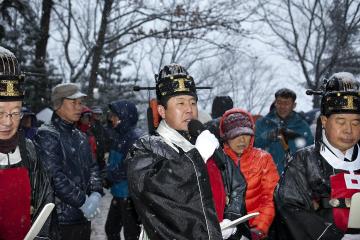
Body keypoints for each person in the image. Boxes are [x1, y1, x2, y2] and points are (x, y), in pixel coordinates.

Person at [127, 63, 248, 240]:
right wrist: (197, 157)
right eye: (180, 103)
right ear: (162, 110)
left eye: (193, 102)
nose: (189, 109)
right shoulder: (145, 147)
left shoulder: (205, 141)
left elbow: (236, 184)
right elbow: (155, 192)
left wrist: (231, 220)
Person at [275, 72, 360, 240]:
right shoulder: (303, 161)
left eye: (356, 122)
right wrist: (329, 235)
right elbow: (289, 205)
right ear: (324, 121)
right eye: (341, 122)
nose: (348, 130)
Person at [0, 46, 57, 240]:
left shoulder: (27, 149)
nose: (8, 122)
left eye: (15, 112)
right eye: (0, 113)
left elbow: (44, 204)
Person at [34, 83, 103, 240]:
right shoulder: (47, 135)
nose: (79, 107)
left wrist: (96, 194)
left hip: (83, 216)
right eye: (74, 102)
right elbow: (54, 177)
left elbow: (93, 167)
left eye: (80, 103)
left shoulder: (80, 136)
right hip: (61, 218)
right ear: (58, 104)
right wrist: (83, 201)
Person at [220, 108, 280, 240]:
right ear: (225, 136)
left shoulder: (263, 159)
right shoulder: (217, 160)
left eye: (246, 134)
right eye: (235, 135)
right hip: (224, 230)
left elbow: (270, 198)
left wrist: (259, 229)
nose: (242, 140)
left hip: (256, 229)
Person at [105, 99, 142, 240]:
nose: (111, 119)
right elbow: (114, 161)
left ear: (125, 117)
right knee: (111, 229)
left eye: (115, 116)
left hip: (129, 196)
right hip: (119, 193)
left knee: (131, 234)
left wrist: (110, 176)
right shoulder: (120, 135)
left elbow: (130, 166)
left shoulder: (134, 138)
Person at [254, 88, 314, 173]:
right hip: (267, 177)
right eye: (279, 102)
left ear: (294, 105)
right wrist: (268, 136)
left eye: (286, 103)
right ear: (275, 103)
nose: (282, 106)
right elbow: (253, 147)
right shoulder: (262, 123)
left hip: (296, 177)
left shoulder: (302, 125)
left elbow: (310, 153)